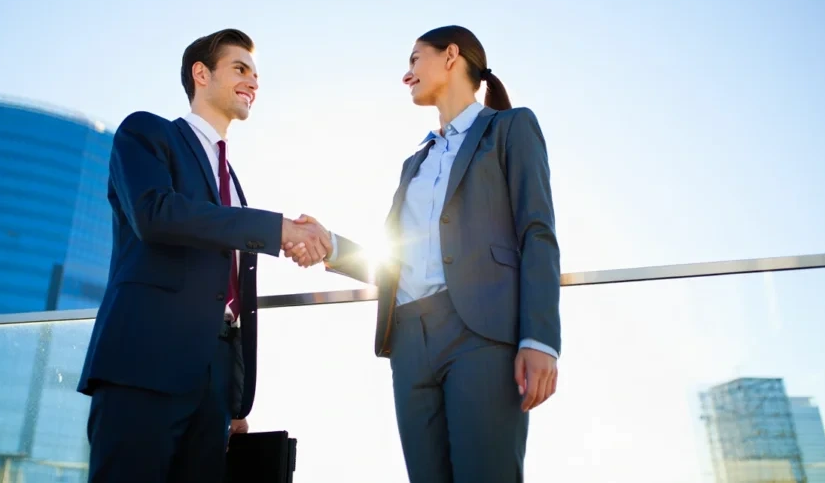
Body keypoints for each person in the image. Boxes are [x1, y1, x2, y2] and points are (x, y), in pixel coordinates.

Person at [288, 25, 561, 482]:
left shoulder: (510, 128)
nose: (406, 74)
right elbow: (393, 261)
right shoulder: (415, 162)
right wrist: (329, 243)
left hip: (481, 333)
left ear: (451, 56)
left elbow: (538, 232)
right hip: (409, 339)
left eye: (415, 59)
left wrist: (540, 338)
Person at [77, 28, 332, 483]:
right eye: (240, 68)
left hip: (213, 385)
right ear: (201, 73)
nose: (253, 82)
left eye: (257, 74)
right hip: (144, 366)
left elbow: (228, 292)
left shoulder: (233, 181)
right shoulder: (146, 132)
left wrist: (231, 395)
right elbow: (156, 214)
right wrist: (277, 229)